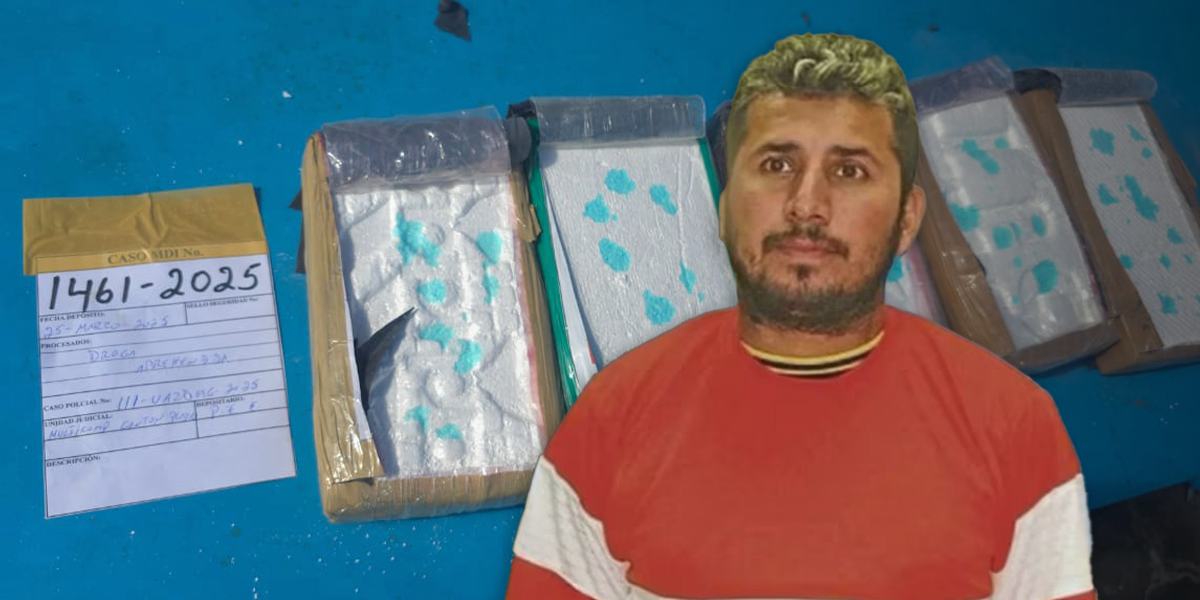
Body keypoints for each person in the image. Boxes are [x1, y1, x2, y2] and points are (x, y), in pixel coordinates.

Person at [506, 33, 1095, 600]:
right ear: (725, 209)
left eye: (850, 171)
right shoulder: (613, 415)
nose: (807, 204)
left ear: (907, 220)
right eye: (777, 165)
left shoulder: (1014, 424)